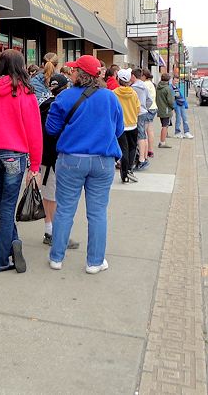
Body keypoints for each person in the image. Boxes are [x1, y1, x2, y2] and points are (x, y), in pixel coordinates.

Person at [46, 55, 124, 274]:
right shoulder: (110, 97)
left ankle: (56, 257)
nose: (70, 73)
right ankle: (95, 262)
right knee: (98, 213)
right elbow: (118, 130)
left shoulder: (64, 97)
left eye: (73, 70)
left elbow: (51, 129)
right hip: (102, 161)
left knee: (64, 210)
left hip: (71, 160)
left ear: (80, 74)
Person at [0, 49, 42, 273]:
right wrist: (35, 166)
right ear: (21, 66)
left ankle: (14, 244)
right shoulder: (26, 93)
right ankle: (1, 259)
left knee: (3, 206)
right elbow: (34, 132)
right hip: (15, 154)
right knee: (7, 209)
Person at [39, 74, 79, 249]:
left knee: (48, 196)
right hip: (56, 158)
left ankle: (50, 230)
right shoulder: (61, 107)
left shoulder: (43, 105)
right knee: (55, 197)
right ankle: (57, 234)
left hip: (44, 156)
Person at [113, 69, 141, 183]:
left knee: (123, 149)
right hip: (132, 124)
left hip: (120, 126)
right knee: (132, 148)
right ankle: (129, 169)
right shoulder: (133, 93)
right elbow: (138, 108)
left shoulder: (114, 93)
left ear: (118, 79)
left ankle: (124, 173)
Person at [130, 68, 153, 171]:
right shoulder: (144, 86)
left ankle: (141, 159)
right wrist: (145, 107)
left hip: (137, 113)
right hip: (144, 112)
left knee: (140, 136)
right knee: (143, 135)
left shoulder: (133, 88)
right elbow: (150, 100)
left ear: (133, 76)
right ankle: (143, 157)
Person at [141, 69, 158, 157]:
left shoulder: (144, 85)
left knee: (144, 131)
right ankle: (150, 150)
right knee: (150, 130)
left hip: (148, 108)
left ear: (144, 76)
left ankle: (145, 151)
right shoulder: (151, 83)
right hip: (153, 108)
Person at [156, 73, 175, 149]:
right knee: (165, 126)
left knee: (163, 125)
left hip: (160, 108)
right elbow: (170, 101)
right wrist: (173, 107)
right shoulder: (168, 88)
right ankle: (162, 142)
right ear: (168, 80)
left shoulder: (158, 87)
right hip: (166, 109)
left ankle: (162, 141)